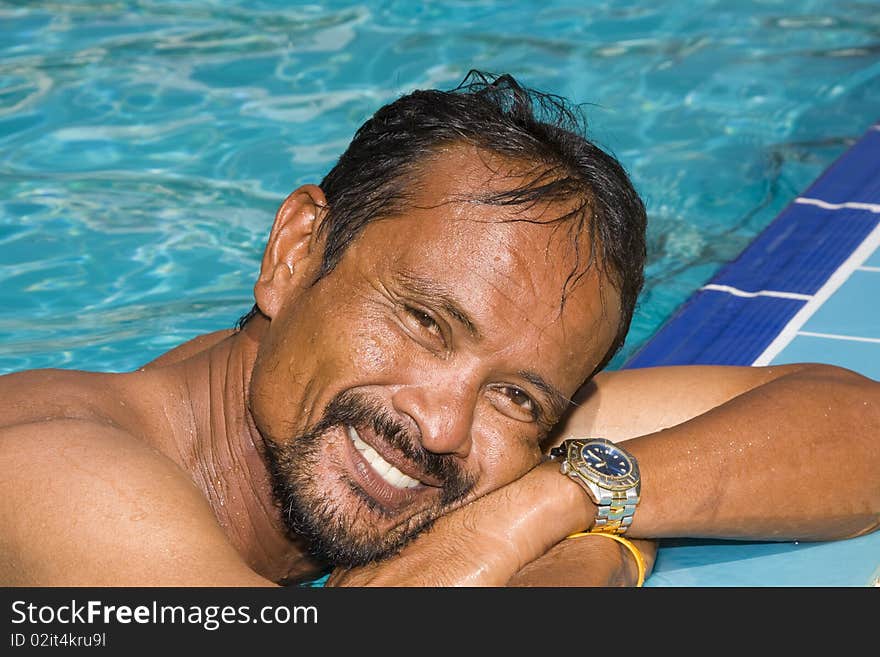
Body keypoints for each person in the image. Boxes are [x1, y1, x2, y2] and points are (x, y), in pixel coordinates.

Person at [0, 72, 877, 587]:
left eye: (518, 394)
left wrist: (554, 504)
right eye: (423, 321)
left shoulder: (451, 437)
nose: (443, 426)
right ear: (295, 254)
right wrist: (601, 558)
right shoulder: (56, 471)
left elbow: (855, 430)